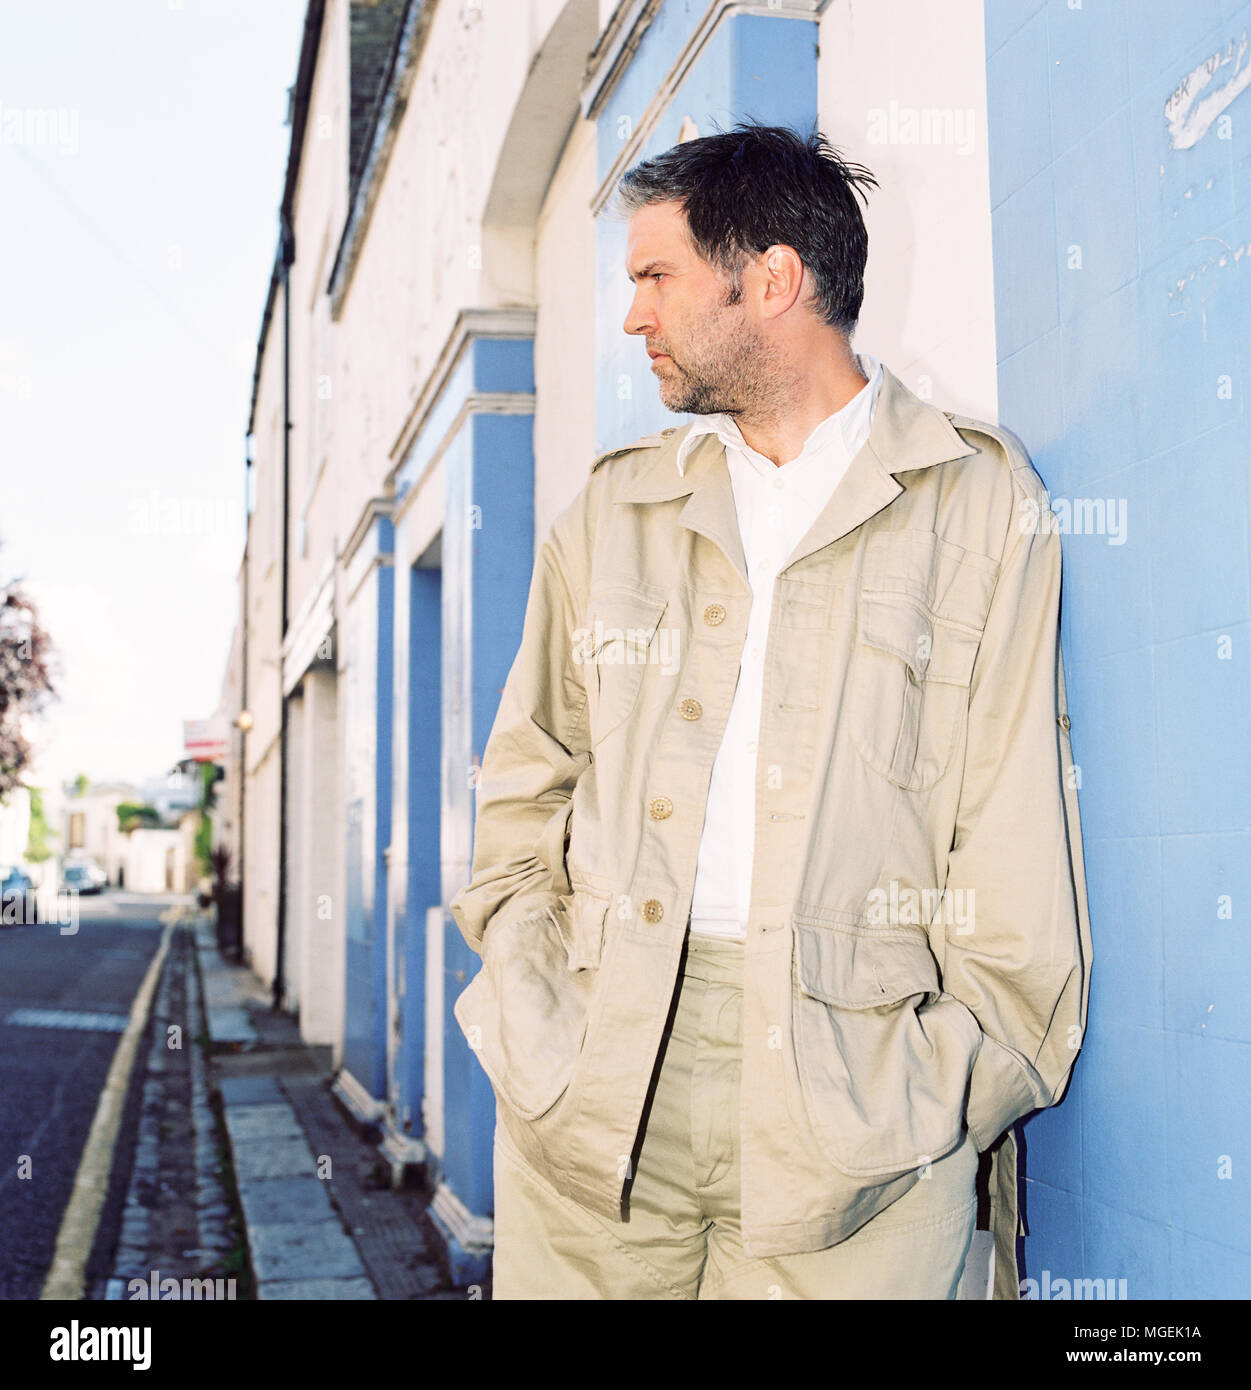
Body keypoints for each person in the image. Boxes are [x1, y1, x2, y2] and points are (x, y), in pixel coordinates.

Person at [449, 120, 1092, 1300]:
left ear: (774, 279)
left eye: (656, 277)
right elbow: (526, 770)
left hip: (861, 1111)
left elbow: (1011, 835)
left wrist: (948, 1076)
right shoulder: (614, 514)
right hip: (594, 1074)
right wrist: (535, 992)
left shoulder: (979, 505)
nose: (634, 315)